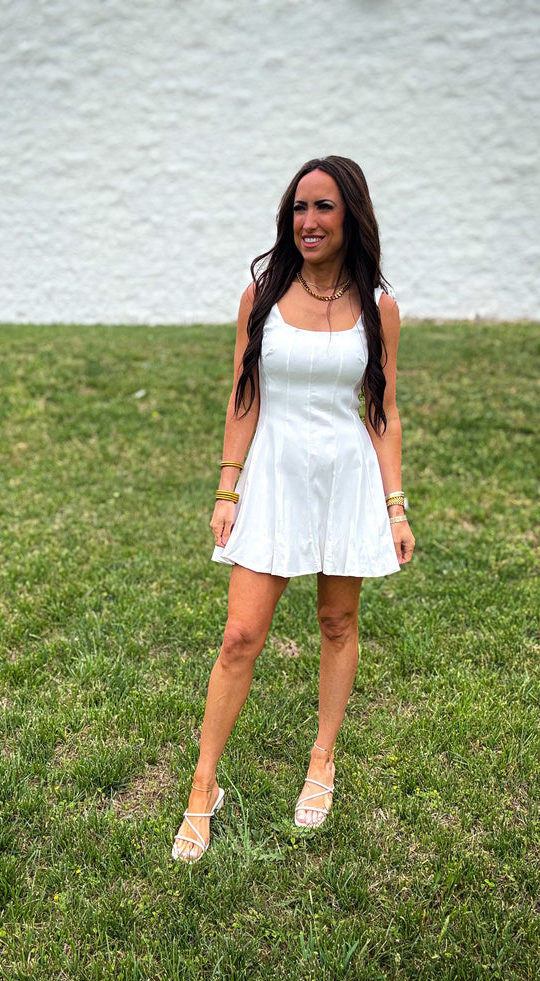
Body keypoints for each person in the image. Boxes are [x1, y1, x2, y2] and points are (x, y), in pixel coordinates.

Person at [172, 156, 415, 862]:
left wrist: (395, 506)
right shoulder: (262, 294)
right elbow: (244, 394)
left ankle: (322, 759)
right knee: (239, 636)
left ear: (351, 217)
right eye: (299, 208)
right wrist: (228, 488)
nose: (309, 221)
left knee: (337, 622)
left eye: (324, 207)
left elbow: (382, 411)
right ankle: (203, 786)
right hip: (274, 478)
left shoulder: (379, 306)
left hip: (346, 479)